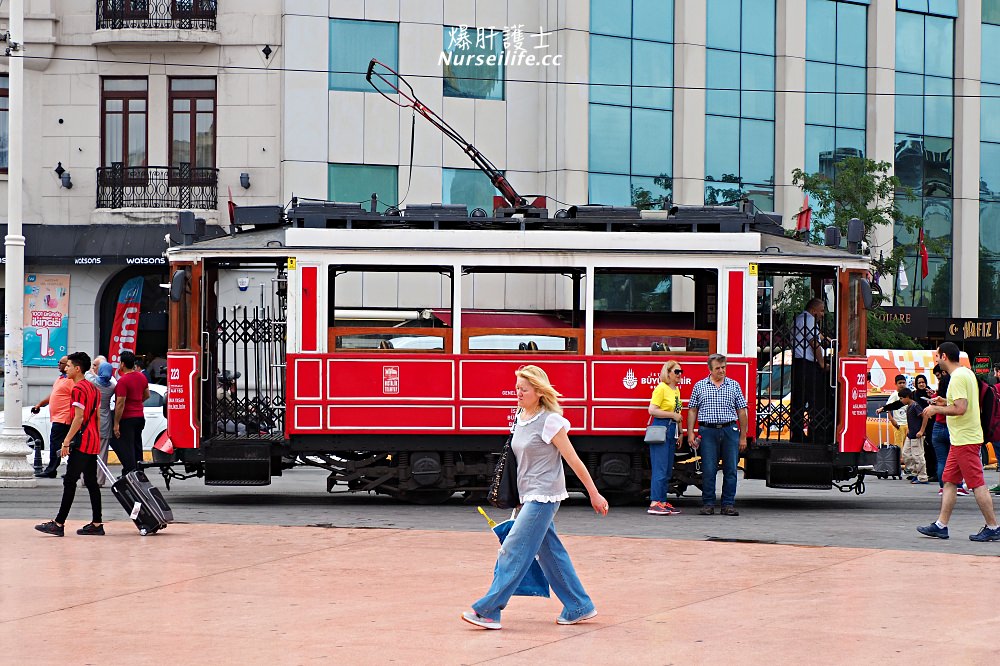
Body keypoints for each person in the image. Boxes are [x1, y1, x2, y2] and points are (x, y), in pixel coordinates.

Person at [462, 365, 608, 630]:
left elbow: (573, 459)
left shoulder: (551, 420)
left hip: (545, 497)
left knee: (513, 549)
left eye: (523, 389)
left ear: (538, 392)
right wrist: (519, 496)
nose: (517, 393)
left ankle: (489, 610)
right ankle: (579, 605)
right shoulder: (521, 415)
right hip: (529, 496)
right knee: (551, 553)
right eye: (517, 388)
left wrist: (594, 493)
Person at [917, 342, 1000, 542]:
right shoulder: (966, 373)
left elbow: (961, 408)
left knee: (977, 484)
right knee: (949, 481)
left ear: (944, 356)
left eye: (937, 356)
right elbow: (962, 403)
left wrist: (936, 410)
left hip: (965, 440)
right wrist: (942, 402)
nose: (935, 360)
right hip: (960, 439)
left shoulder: (957, 378)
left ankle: (993, 527)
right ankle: (941, 525)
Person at [34, 351, 104, 537]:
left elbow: (79, 418)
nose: (66, 368)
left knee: (70, 481)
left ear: (78, 369)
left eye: (69, 366)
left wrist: (66, 442)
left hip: (82, 443)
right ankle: (97, 523)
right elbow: (97, 416)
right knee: (91, 482)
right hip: (92, 440)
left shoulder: (79, 389)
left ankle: (58, 523)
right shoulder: (94, 389)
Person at [686, 354, 749, 516]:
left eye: (724, 367)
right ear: (710, 369)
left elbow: (742, 412)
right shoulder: (699, 386)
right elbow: (692, 410)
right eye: (718, 368)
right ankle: (708, 504)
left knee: (730, 469)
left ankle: (728, 504)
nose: (722, 371)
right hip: (707, 432)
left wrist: (743, 436)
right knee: (708, 469)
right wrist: (691, 433)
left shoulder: (734, 385)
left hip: (730, 431)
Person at [646, 360, 684, 516]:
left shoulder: (675, 390)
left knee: (667, 468)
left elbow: (679, 413)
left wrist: (680, 432)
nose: (679, 375)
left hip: (671, 428)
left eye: (681, 372)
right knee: (660, 467)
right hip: (662, 427)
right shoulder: (661, 388)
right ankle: (655, 502)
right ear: (668, 373)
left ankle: (661, 501)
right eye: (676, 371)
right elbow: (652, 410)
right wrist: (672, 415)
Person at [789, 298, 826, 443]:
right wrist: (822, 363)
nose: (823, 314)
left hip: (798, 363)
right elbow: (814, 343)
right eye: (821, 310)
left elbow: (815, 336)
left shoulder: (800, 319)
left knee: (798, 400)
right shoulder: (809, 319)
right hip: (807, 365)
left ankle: (797, 433)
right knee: (814, 400)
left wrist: (826, 338)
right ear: (813, 310)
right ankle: (815, 433)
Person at [32, 356, 73, 478]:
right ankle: (60, 470)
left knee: (58, 444)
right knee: (59, 444)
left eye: (61, 363)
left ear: (68, 365)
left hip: (64, 418)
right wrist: (40, 404)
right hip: (58, 417)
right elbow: (54, 395)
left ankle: (52, 470)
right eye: (58, 362)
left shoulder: (71, 381)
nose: (58, 365)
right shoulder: (61, 378)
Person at [112, 350, 149, 474]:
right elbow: (147, 395)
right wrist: (137, 402)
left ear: (122, 364)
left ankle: (130, 472)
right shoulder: (141, 376)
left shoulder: (123, 381)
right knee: (137, 445)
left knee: (126, 447)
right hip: (139, 416)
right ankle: (139, 471)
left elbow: (120, 403)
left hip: (127, 418)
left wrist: (116, 423)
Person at [88, 361, 117, 487]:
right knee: (103, 452)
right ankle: (99, 480)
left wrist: (93, 369)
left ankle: (86, 479)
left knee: (88, 450)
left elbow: (88, 373)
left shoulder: (93, 383)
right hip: (105, 418)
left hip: (92, 418)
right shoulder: (111, 387)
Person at [896, 388, 928, 484]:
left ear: (907, 397)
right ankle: (915, 473)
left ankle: (922, 477)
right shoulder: (909, 407)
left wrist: (921, 431)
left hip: (917, 435)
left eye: (902, 398)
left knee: (918, 456)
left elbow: (925, 416)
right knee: (906, 454)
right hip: (911, 435)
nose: (901, 401)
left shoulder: (915, 406)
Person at [884, 374, 909, 448]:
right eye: (900, 383)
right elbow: (887, 408)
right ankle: (899, 459)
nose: (902, 385)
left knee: (907, 447)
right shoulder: (895, 395)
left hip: (907, 424)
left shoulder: (908, 395)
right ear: (896, 384)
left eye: (903, 383)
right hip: (899, 424)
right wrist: (892, 420)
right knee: (899, 447)